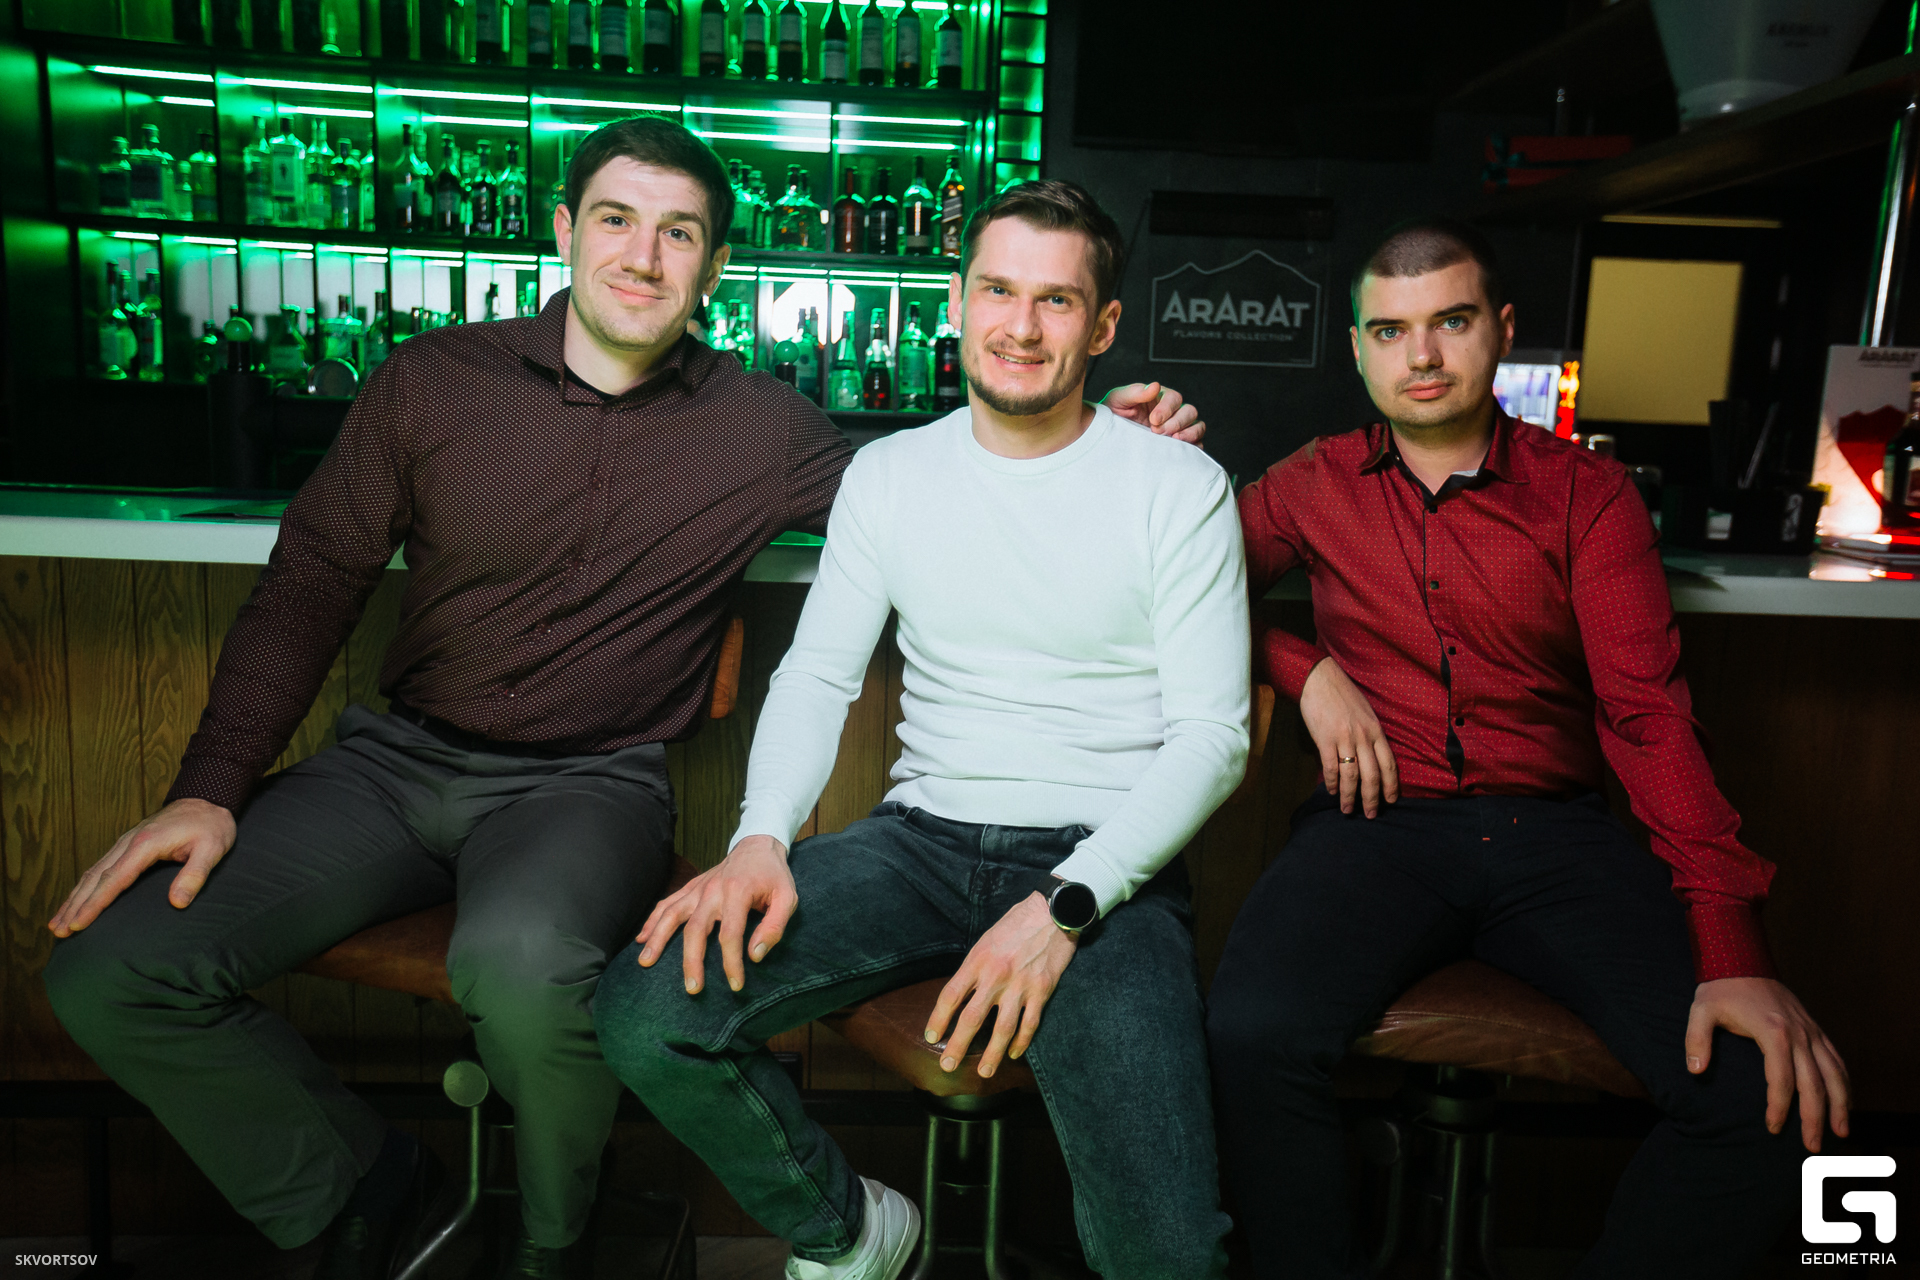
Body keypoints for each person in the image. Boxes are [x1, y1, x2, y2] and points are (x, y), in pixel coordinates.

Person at [40, 117, 1204, 1280]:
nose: (644, 256)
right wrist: (211, 786)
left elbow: (962, 472)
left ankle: (557, 1241)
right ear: (563, 230)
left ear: (715, 265)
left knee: (525, 965)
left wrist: (1098, 437)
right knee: (108, 964)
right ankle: (360, 1187)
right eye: (616, 219)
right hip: (392, 763)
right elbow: (310, 581)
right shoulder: (430, 381)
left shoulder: (768, 428)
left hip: (586, 785)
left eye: (679, 233)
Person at [591, 178, 1249, 1280]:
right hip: (920, 845)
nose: (1020, 326)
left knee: (1168, 1254)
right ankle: (850, 1232)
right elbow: (817, 674)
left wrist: (1066, 905)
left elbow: (1213, 739)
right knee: (647, 1008)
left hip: (1107, 870)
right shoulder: (891, 474)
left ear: (1101, 327)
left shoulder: (1177, 485)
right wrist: (759, 837)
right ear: (957, 299)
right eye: (998, 290)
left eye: (1055, 300)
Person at [1207, 216, 1850, 1278]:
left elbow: (1648, 717)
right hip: (1374, 829)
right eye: (1391, 330)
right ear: (1358, 348)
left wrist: (1735, 947)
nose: (1421, 355)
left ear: (1501, 329)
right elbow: (1174, 598)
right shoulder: (1310, 482)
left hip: (1555, 838)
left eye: (1451, 322)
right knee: (1247, 1035)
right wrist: (1304, 669)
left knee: (1763, 1099)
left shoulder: (1588, 494)